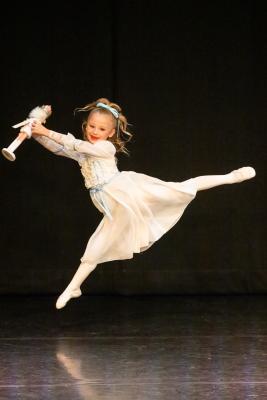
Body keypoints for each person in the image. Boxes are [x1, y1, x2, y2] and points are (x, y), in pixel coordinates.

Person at [31, 98, 256, 310]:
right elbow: (58, 148)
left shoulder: (104, 148)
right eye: (91, 126)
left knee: (182, 188)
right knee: (96, 247)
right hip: (113, 206)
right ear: (86, 125)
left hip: (128, 192)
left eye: (101, 129)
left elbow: (80, 146)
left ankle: (231, 177)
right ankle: (74, 287)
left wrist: (46, 131)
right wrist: (36, 130)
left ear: (110, 133)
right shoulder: (82, 153)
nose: (95, 132)